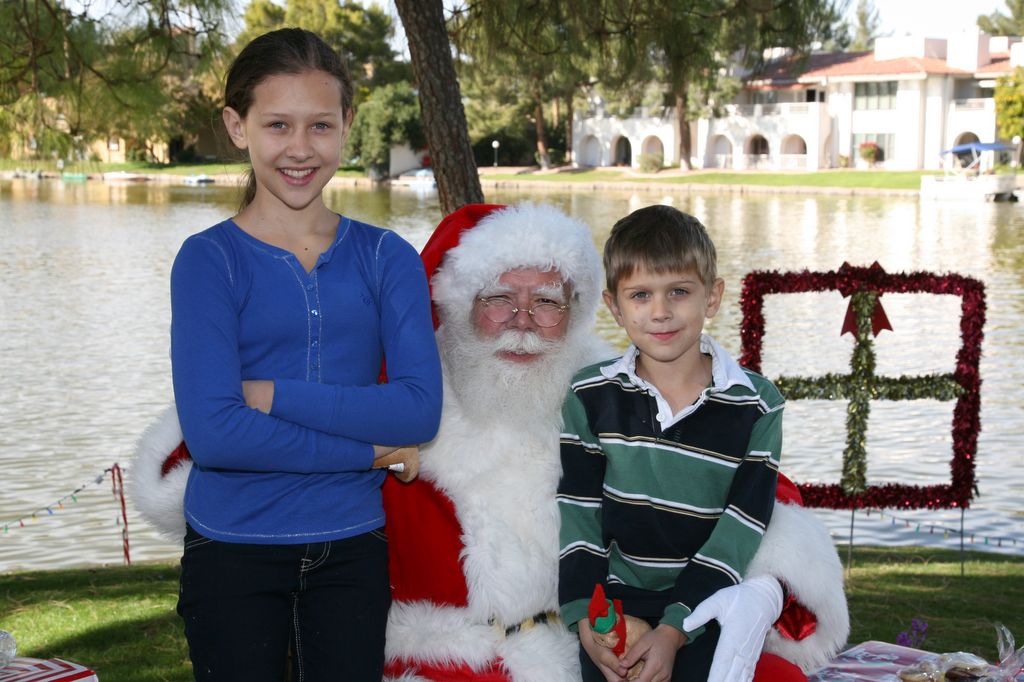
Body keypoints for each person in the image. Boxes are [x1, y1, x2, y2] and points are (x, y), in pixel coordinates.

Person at [134, 203, 848, 682]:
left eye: (546, 302)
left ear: (575, 313)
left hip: (594, 645)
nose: (522, 322)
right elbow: (205, 447)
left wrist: (769, 582)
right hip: (440, 664)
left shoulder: (611, 388)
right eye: (499, 298)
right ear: (453, 305)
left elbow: (748, 493)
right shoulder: (395, 397)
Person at [166, 28, 442, 681]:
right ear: (238, 127)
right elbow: (216, 436)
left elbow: (416, 412)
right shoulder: (209, 261)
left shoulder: (387, 258)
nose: (299, 149)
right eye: (277, 125)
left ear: (347, 125)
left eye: (320, 125)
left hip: (352, 548)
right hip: (233, 547)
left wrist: (271, 395)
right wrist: (366, 452)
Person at [557, 205, 795, 682]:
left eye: (679, 292)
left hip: (708, 603)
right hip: (615, 603)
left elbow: (740, 529)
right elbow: (580, 512)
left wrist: (674, 628)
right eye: (640, 295)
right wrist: (586, 612)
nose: (660, 312)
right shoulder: (588, 395)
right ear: (614, 306)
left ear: (712, 296)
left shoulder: (758, 405)